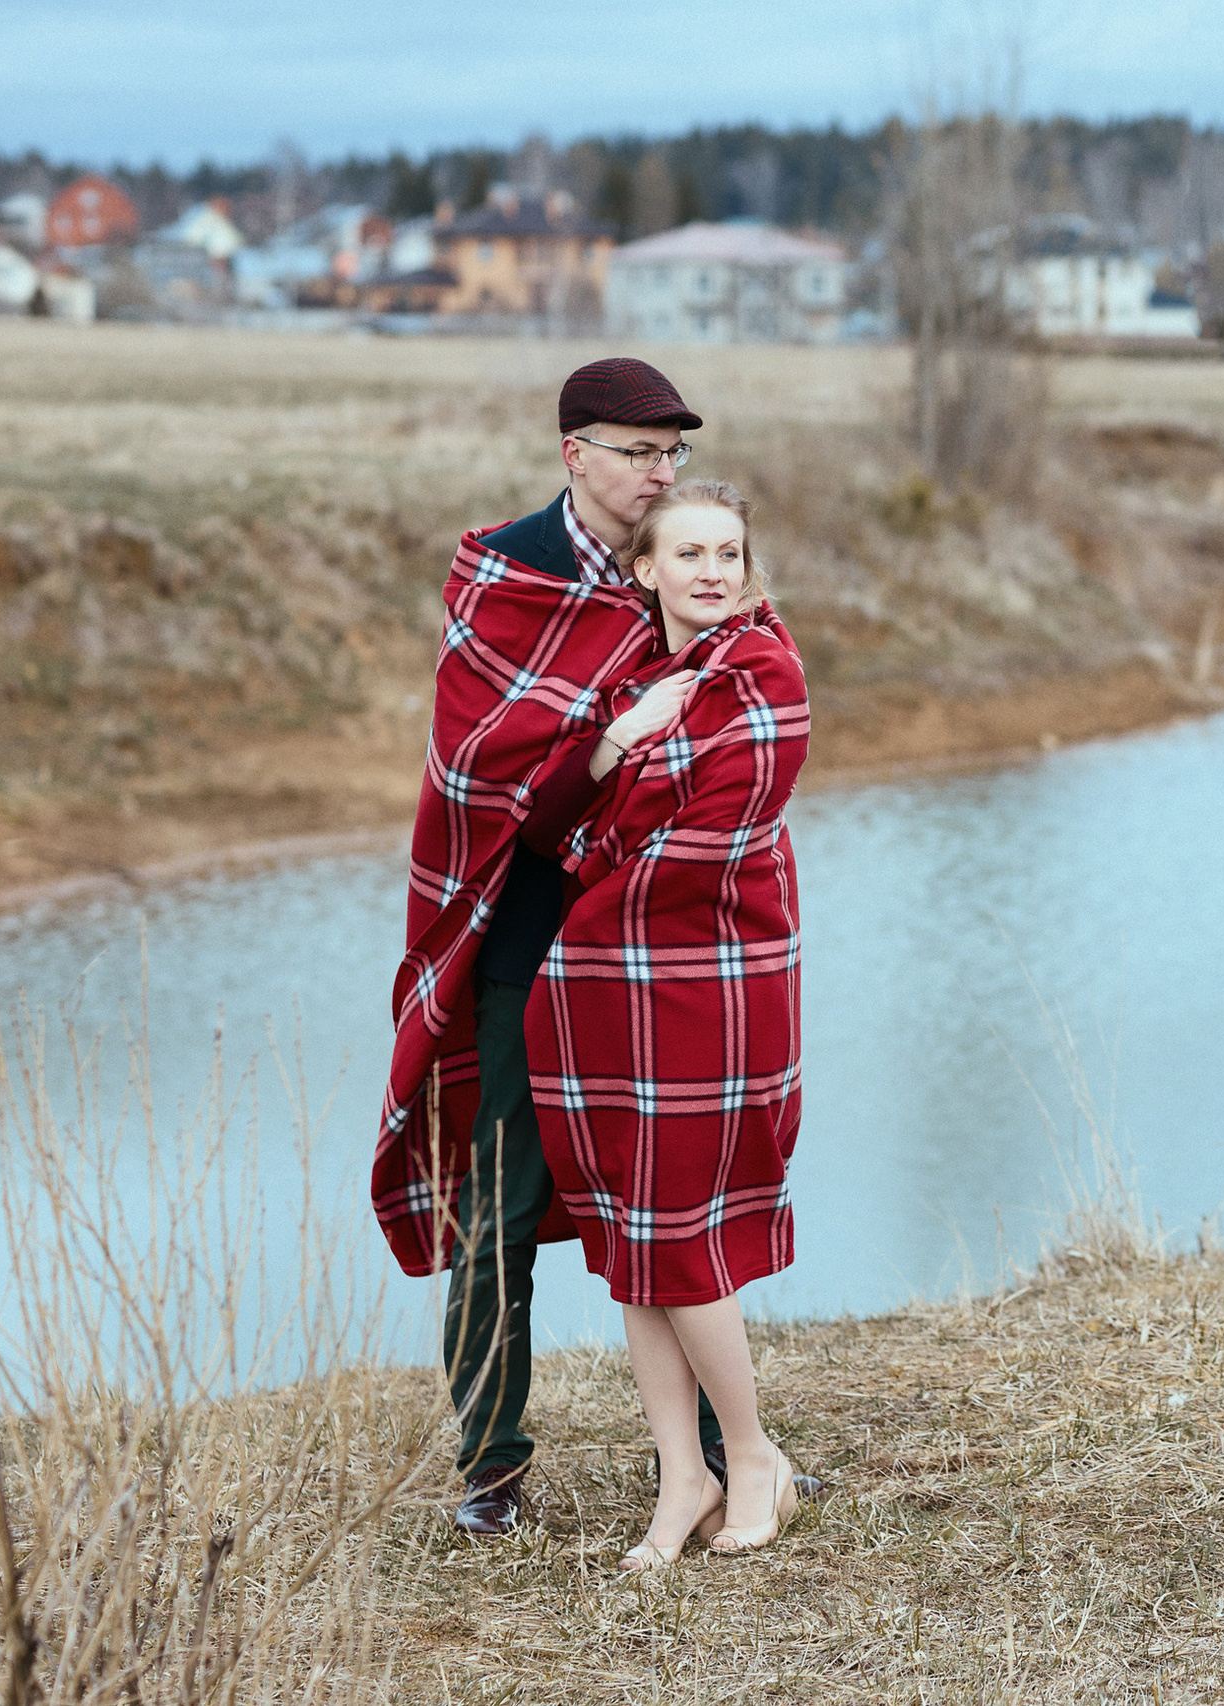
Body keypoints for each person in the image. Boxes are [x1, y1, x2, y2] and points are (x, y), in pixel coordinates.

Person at [375, 358, 732, 1538]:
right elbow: (485, 772)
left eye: (672, 452)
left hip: (650, 933)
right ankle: (489, 1469)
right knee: (499, 1206)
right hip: (528, 937)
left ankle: (723, 1450)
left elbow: (734, 716)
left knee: (673, 1197)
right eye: (638, 452)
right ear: (575, 453)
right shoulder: (505, 575)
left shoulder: (686, 560)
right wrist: (608, 742)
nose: (660, 473)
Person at [520, 480, 810, 1569]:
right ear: (645, 569)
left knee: (682, 1234)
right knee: (636, 1235)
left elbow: (710, 841)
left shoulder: (763, 674)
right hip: (616, 990)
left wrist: (588, 904)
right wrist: (614, 740)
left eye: (728, 552)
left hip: (710, 978)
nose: (712, 571)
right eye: (688, 553)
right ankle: (683, 1474)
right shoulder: (639, 684)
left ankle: (754, 1455)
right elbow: (545, 822)